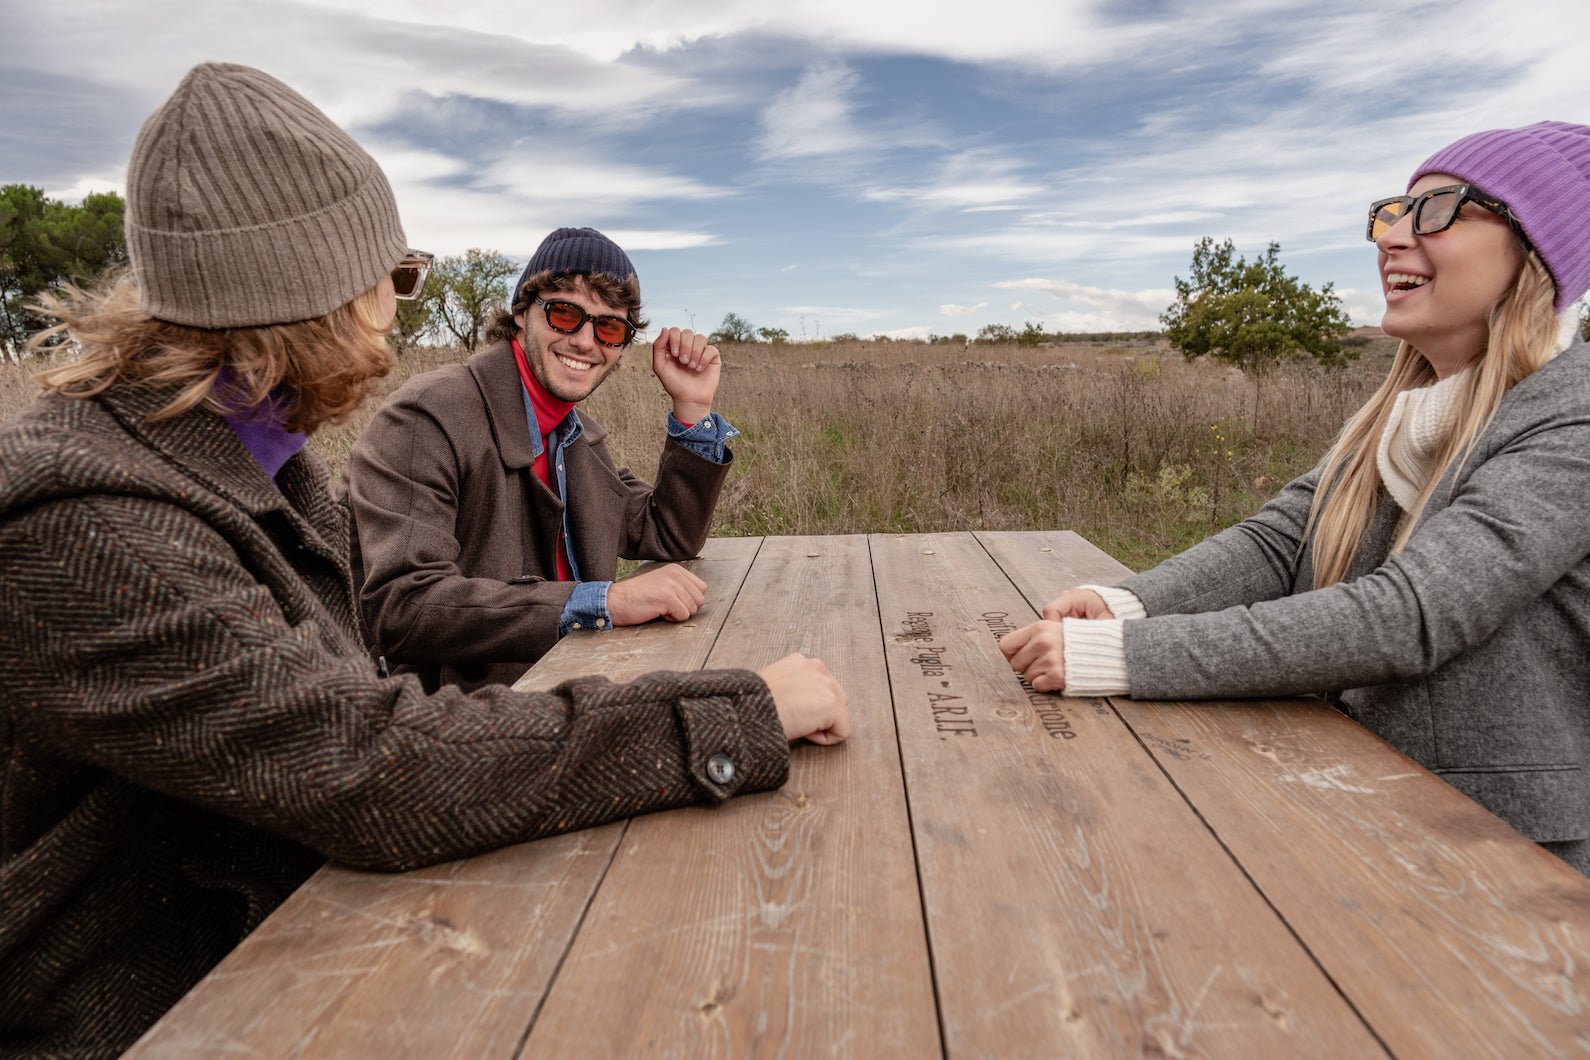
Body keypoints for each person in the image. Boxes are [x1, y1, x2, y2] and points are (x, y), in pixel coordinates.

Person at [0, 62, 850, 1058]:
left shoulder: (249, 460)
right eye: (393, 281)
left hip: (292, 895)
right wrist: (723, 707)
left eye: (607, 326)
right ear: (318, 298)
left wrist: (694, 423)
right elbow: (365, 758)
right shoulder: (92, 520)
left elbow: (651, 538)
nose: (394, 315)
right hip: (164, 1000)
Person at [1001, 121, 1590, 873]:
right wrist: (1127, 602)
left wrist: (1124, 655)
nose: (1394, 238)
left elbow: (1412, 614)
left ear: (1535, 251)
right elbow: (1282, 541)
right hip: (1354, 793)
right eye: (1393, 213)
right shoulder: (1407, 411)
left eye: (1439, 209)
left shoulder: (1571, 411)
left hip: (1496, 852)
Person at [343, 226, 736, 693]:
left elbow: (666, 533)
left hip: (574, 695)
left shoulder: (575, 434)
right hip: (462, 721)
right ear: (521, 312)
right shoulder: (429, 416)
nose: (587, 341)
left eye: (609, 327)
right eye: (565, 313)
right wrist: (602, 601)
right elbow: (405, 605)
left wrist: (692, 411)